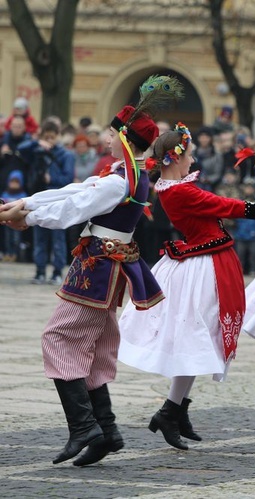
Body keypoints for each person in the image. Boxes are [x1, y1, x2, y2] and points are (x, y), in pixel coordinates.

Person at [0, 75, 181, 466]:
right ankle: (107, 431)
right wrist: (24, 204)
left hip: (98, 268)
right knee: (95, 348)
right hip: (105, 265)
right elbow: (73, 193)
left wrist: (26, 216)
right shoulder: (123, 174)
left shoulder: (121, 179)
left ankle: (84, 428)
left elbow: (73, 209)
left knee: (59, 338)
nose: (107, 138)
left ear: (126, 138)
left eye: (113, 133)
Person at [117, 123, 255, 451]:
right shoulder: (178, 191)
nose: (193, 160)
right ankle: (171, 411)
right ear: (174, 158)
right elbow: (225, 205)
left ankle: (175, 410)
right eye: (189, 154)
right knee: (196, 338)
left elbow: (219, 205)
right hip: (201, 268)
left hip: (205, 261)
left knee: (198, 339)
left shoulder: (173, 186)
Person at [18, 120, 75, 284]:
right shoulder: (36, 150)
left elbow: (68, 179)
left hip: (58, 200)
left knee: (58, 238)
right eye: (46, 137)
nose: (49, 140)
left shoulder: (66, 154)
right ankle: (40, 270)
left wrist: (52, 178)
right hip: (39, 198)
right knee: (40, 238)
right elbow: (21, 149)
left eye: (52, 136)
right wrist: (37, 143)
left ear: (58, 136)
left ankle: (57, 271)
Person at [1, 170, 26, 261]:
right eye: (12, 182)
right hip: (6, 221)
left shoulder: (23, 196)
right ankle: (8, 253)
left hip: (17, 220)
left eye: (16, 182)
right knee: (7, 239)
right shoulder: (5, 194)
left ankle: (15, 254)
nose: (14, 185)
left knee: (16, 238)